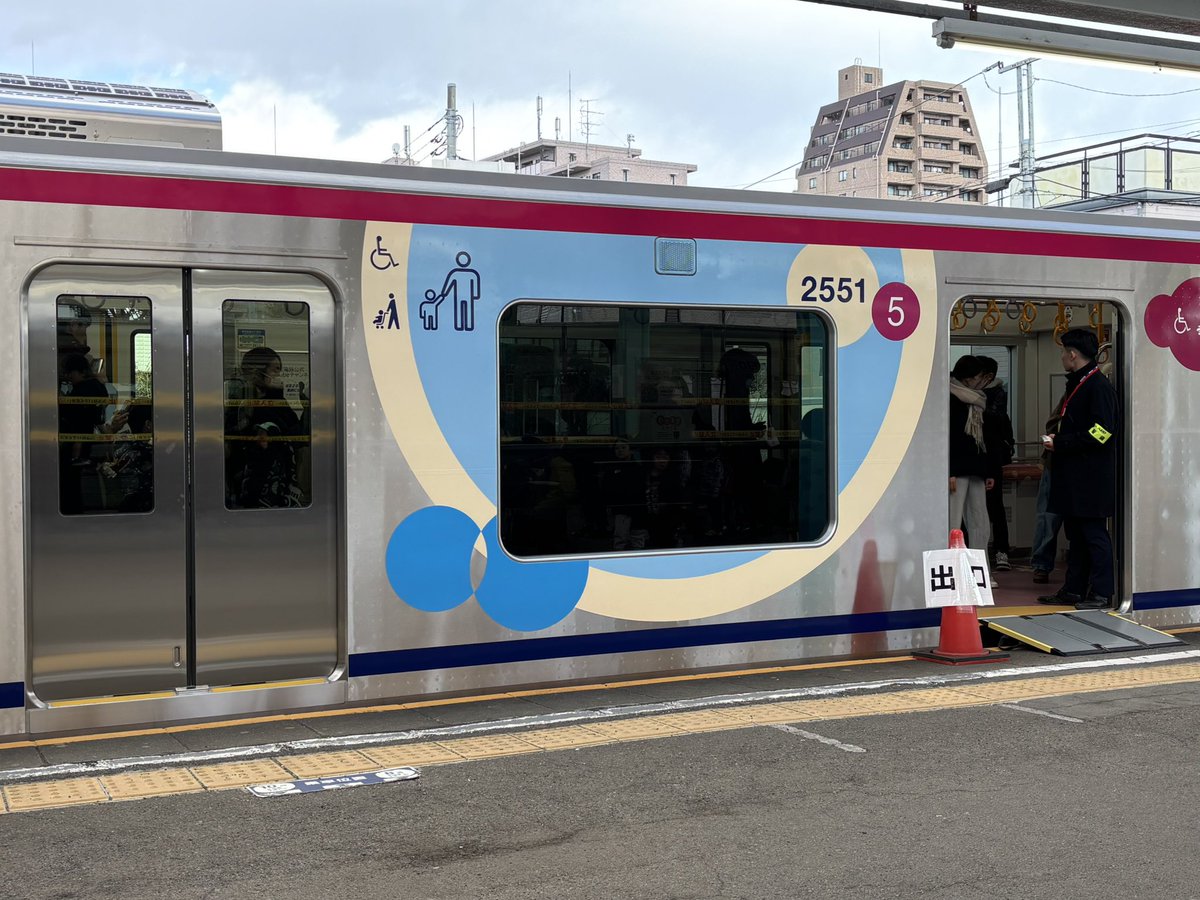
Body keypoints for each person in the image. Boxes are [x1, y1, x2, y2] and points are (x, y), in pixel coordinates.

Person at [1038, 328, 1118, 610]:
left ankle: (1101, 592)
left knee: (1094, 535)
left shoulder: (1097, 387)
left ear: (1073, 355)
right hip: (1074, 478)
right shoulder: (1078, 383)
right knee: (1076, 536)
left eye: (1063, 352)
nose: (1062, 357)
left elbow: (1103, 432)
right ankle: (1073, 589)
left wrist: (1062, 442)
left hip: (1090, 479)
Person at [226, 346, 307, 509]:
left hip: (279, 482)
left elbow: (296, 432)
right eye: (275, 370)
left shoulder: (278, 401)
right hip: (250, 481)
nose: (279, 376)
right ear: (257, 372)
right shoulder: (239, 403)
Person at [948, 355, 994, 572]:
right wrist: (949, 471)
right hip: (956, 469)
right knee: (953, 521)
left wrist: (988, 471)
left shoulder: (977, 400)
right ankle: (951, 566)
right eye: (977, 377)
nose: (980, 381)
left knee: (979, 519)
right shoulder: (949, 397)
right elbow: (948, 437)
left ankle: (979, 568)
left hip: (975, 467)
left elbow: (984, 439)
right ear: (966, 378)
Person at [978, 356, 1015, 571]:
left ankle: (1001, 551)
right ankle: (996, 552)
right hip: (984, 459)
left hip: (990, 459)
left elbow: (993, 426)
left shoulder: (995, 398)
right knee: (989, 507)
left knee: (994, 507)